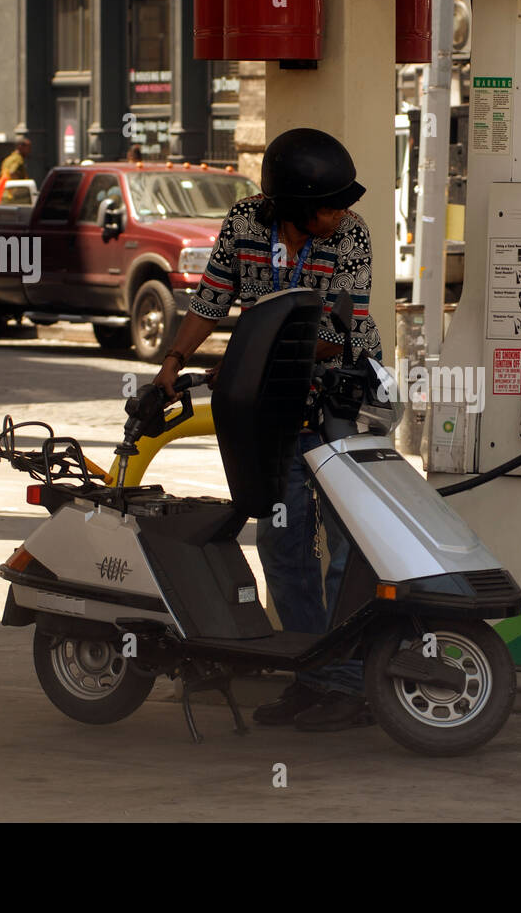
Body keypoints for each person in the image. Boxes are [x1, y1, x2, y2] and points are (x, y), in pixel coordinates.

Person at [151, 128, 381, 732]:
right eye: (329, 204)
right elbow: (211, 299)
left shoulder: (351, 236)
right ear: (296, 207)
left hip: (338, 398)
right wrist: (171, 363)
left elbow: (342, 333)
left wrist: (256, 354)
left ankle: (351, 681)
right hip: (271, 408)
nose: (341, 213)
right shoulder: (246, 223)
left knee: (348, 548)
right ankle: (311, 674)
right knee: (282, 548)